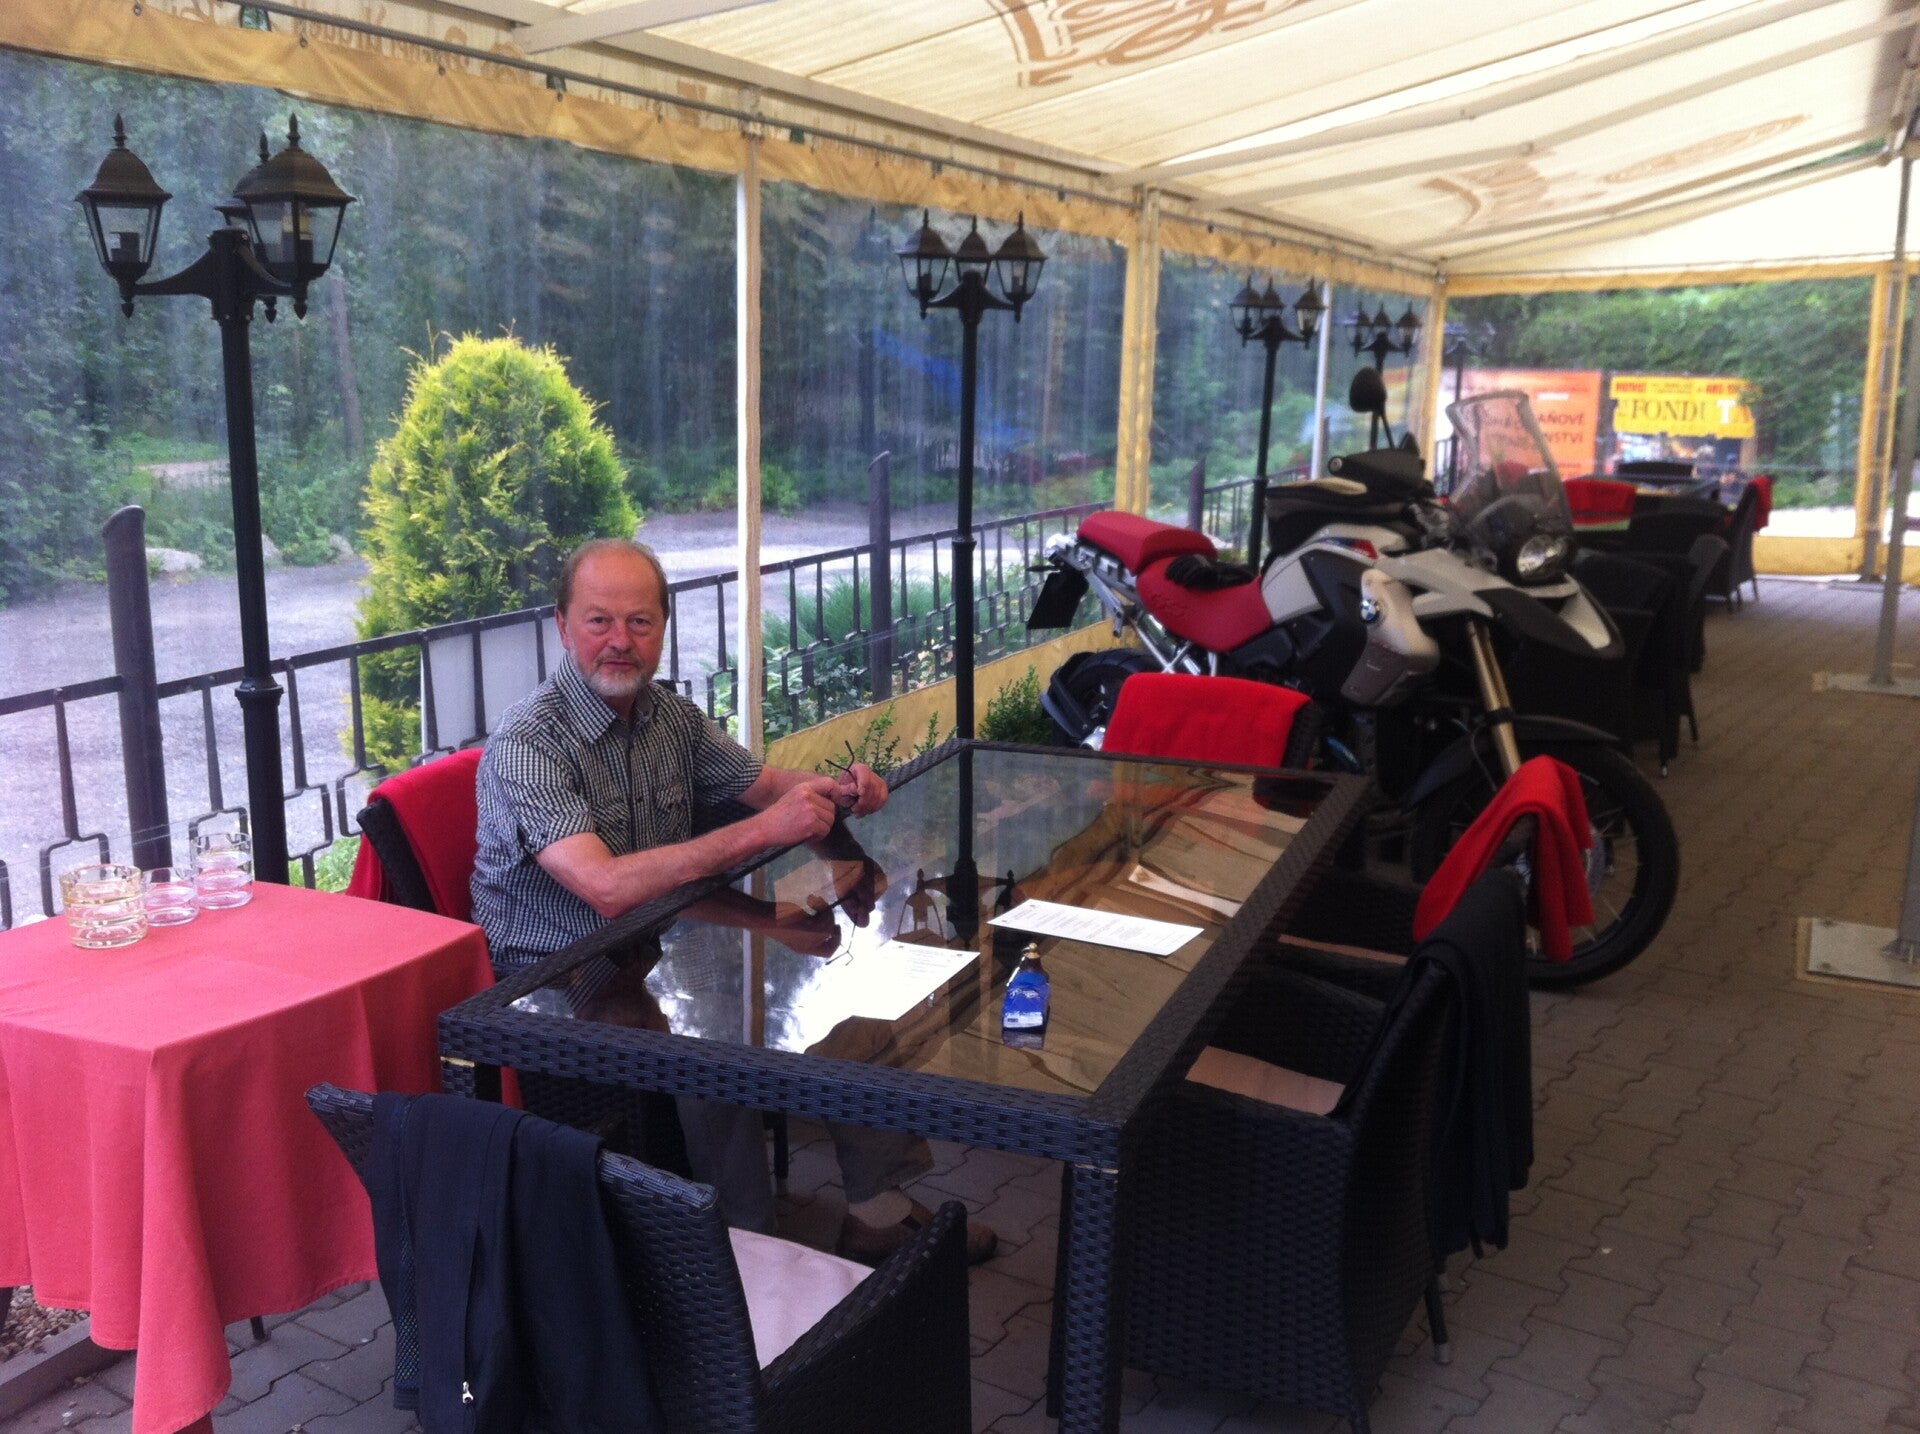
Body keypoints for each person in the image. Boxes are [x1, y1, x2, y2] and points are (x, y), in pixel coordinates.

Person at [471, 536, 995, 1264]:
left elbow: (769, 786)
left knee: (848, 1007)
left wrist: (841, 789)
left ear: (663, 628)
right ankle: (745, 1253)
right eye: (599, 621)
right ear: (563, 627)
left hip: (667, 936)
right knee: (717, 1052)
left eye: (640, 621)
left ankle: (878, 1212)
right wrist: (766, 840)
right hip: (559, 976)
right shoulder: (530, 742)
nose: (620, 641)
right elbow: (606, 887)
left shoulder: (670, 717)